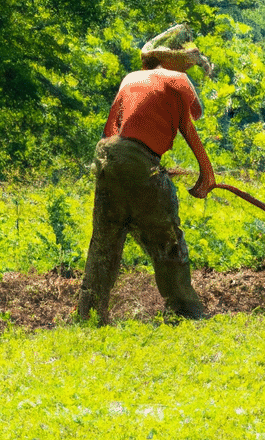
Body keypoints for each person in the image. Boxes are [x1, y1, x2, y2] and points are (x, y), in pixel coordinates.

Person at [76, 24, 215, 324]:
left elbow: (113, 129)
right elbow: (191, 124)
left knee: (105, 242)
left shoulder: (130, 78)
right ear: (179, 62)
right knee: (167, 237)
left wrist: (132, 166)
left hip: (108, 156)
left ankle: (89, 314)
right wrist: (207, 173)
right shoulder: (178, 79)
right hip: (137, 161)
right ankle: (185, 310)